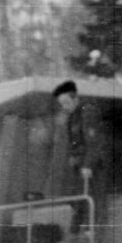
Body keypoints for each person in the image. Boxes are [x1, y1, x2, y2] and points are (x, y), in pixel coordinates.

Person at [47, 79, 106, 233]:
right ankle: (77, 233)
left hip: (90, 167)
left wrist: (88, 165)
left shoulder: (87, 112)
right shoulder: (72, 116)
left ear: (75, 98)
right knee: (78, 200)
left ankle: (92, 233)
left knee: (91, 200)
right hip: (78, 166)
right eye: (62, 104)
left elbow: (93, 141)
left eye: (66, 102)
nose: (64, 107)